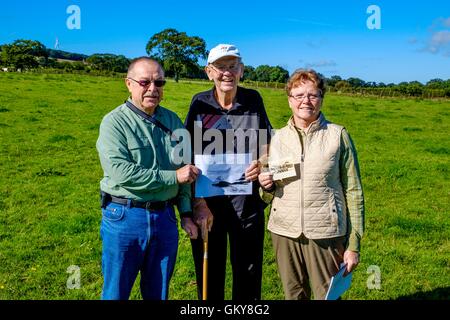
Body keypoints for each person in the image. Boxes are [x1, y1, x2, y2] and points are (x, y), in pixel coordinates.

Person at [96, 57, 199, 300]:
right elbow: (121, 172)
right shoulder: (114, 123)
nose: (153, 89)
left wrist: (185, 213)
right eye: (145, 82)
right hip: (124, 217)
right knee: (115, 292)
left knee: (158, 292)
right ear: (128, 84)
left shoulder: (174, 121)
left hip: (164, 219)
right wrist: (173, 176)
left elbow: (186, 169)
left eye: (159, 82)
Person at [259, 69, 365, 300]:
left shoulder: (338, 136)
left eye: (313, 95)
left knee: (326, 296)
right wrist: (265, 185)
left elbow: (354, 191)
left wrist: (353, 244)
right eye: (299, 95)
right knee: (293, 295)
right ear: (289, 101)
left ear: (321, 99)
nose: (306, 101)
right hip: (284, 232)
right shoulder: (277, 138)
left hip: (325, 232)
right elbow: (268, 192)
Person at [184, 44, 273, 300]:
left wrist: (262, 161)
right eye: (221, 67)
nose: (227, 73)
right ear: (209, 72)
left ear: (241, 70)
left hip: (246, 201)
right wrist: (197, 201)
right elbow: (188, 153)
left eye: (232, 67)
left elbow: (266, 142)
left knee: (248, 269)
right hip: (208, 203)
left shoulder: (253, 99)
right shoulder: (199, 103)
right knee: (209, 270)